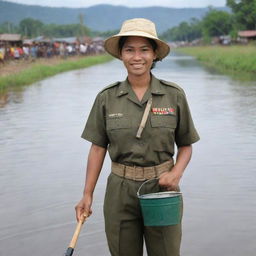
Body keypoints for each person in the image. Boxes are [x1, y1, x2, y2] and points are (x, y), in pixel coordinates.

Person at [75, 18, 200, 256]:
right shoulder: (106, 98)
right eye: (129, 50)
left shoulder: (174, 95)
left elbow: (186, 145)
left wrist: (176, 174)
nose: (137, 57)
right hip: (119, 191)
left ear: (154, 55)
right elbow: (97, 148)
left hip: (162, 190)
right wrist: (87, 194)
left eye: (144, 50)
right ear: (121, 55)